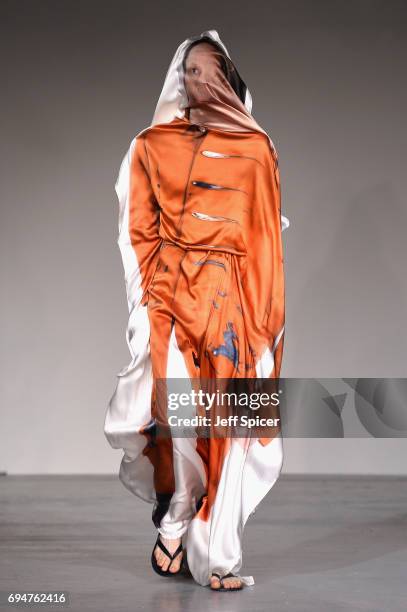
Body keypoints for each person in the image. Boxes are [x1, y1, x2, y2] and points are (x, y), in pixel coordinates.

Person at [104, 29, 290, 591]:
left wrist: (264, 323)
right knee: (183, 429)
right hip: (172, 304)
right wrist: (149, 302)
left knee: (231, 429)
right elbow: (135, 227)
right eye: (188, 70)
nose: (196, 79)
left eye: (207, 70)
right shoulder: (151, 145)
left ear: (228, 79)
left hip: (234, 305)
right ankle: (175, 526)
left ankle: (218, 558)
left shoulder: (258, 149)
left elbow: (264, 240)